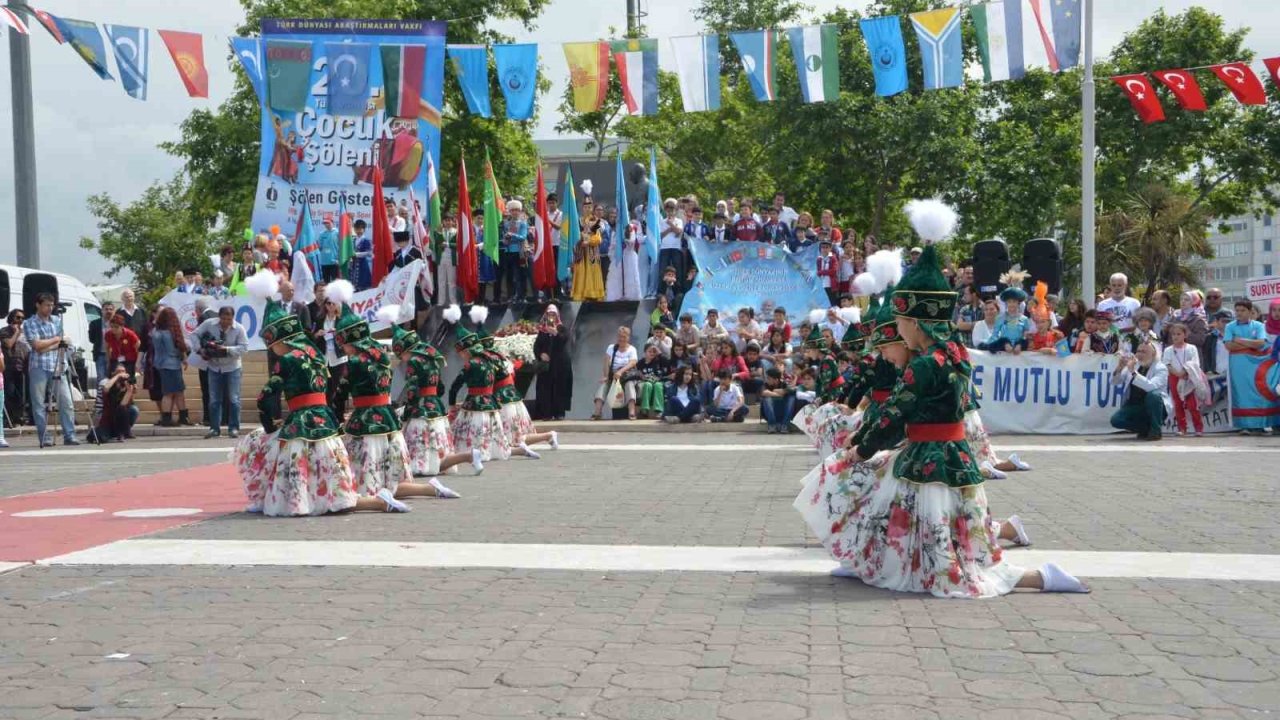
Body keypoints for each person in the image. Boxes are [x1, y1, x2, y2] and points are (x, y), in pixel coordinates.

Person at [796, 246, 1088, 597]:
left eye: (901, 324)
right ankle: (868, 561)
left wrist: (862, 448)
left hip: (927, 458)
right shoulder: (952, 355)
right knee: (909, 516)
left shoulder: (923, 365)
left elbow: (896, 415)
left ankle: (1038, 578)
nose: (900, 333)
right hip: (951, 455)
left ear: (916, 322)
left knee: (937, 547)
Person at [236, 270, 409, 516]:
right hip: (325, 422)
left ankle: (294, 501)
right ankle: (376, 501)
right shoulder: (315, 355)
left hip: (300, 424)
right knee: (330, 476)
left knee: (288, 468)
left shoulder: (285, 361)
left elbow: (265, 397)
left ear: (275, 338)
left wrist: (269, 426)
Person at [388, 311, 484, 479]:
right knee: (438, 445)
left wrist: (407, 407)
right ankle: (468, 456)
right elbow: (440, 387)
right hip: (435, 406)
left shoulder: (414, 361)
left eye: (401, 356)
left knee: (421, 443)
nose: (402, 360)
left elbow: (412, 387)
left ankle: (421, 468)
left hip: (421, 407)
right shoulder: (431, 358)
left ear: (404, 350)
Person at [449, 315, 510, 461]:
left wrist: (452, 404)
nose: (462, 357)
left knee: (471, 431)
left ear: (466, 351)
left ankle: (474, 453)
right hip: (490, 401)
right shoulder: (490, 360)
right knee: (490, 430)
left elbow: (455, 386)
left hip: (474, 403)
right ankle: (490, 451)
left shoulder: (470, 364)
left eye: (462, 354)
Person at [24, 293, 80, 446]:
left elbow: (64, 343)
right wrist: (56, 340)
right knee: (38, 404)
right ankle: (44, 437)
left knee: (66, 401)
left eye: (51, 305)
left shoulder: (56, 320)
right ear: (38, 305)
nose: (50, 308)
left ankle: (69, 435)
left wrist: (50, 344)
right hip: (39, 366)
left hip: (57, 365)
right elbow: (37, 347)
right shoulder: (30, 323)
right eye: (46, 305)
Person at [195, 306, 248, 439]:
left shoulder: (239, 329)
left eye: (229, 319)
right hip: (214, 366)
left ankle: (234, 428)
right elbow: (194, 334)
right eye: (223, 318)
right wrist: (200, 349)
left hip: (232, 367)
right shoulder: (209, 324)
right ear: (219, 317)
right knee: (214, 400)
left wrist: (226, 349)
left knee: (234, 399)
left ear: (233, 318)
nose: (226, 321)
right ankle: (214, 428)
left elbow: (244, 348)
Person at [1224, 300, 1271, 434]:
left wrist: (1239, 340)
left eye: (1242, 310)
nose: (1239, 313)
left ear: (1250, 312)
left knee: (1256, 393)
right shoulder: (1230, 326)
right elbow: (1228, 345)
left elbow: (1261, 343)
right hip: (1238, 364)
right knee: (1240, 392)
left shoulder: (1258, 326)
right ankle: (1243, 425)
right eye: (1237, 310)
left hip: (1256, 365)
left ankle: (1259, 424)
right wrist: (1251, 344)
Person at [1111, 341, 1171, 441]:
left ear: (1153, 354)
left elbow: (1151, 386)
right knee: (1116, 420)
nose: (1139, 354)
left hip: (1155, 406)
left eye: (1144, 352)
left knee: (1154, 395)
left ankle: (1156, 430)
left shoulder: (1161, 368)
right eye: (1138, 351)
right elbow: (1115, 382)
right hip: (1135, 405)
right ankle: (1145, 429)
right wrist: (1119, 367)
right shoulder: (1134, 365)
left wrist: (1134, 373)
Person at [150, 307, 191, 427]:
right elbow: (173, 350)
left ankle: (177, 417)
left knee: (175, 391)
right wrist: (183, 356)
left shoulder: (156, 331)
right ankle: (170, 417)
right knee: (172, 392)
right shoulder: (169, 333)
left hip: (160, 363)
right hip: (172, 364)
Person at [1162, 322, 1206, 437]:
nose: (1175, 336)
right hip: (1174, 378)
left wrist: (1185, 372)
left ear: (1185, 335)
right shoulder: (1168, 350)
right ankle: (1182, 428)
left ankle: (1198, 427)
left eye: (1178, 334)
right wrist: (1178, 374)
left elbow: (1195, 363)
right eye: (1173, 334)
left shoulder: (1192, 348)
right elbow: (1167, 364)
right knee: (1178, 403)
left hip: (1189, 377)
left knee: (1192, 404)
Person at [532, 305, 573, 421]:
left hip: (560, 365)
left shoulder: (561, 328)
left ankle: (559, 412)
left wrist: (556, 333)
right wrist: (541, 354)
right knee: (545, 388)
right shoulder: (542, 330)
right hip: (547, 366)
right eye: (549, 314)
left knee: (560, 388)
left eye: (553, 314)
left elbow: (564, 340)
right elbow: (537, 346)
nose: (551, 317)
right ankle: (546, 413)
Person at [592, 325, 639, 420]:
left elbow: (632, 362)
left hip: (626, 375)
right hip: (613, 375)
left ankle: (632, 412)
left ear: (628, 338)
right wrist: (606, 375)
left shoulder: (632, 349)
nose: (621, 339)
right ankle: (597, 412)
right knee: (603, 386)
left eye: (624, 337)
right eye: (620, 337)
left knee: (629, 386)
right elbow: (606, 362)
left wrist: (621, 371)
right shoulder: (611, 347)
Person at [92, 363, 138, 442]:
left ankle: (124, 432)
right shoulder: (106, 381)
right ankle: (111, 432)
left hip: (119, 413)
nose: (122, 374)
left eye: (123, 371)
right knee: (101, 437)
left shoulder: (125, 383)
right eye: (119, 371)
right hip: (105, 413)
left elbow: (124, 404)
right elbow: (106, 388)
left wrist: (130, 390)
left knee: (131, 409)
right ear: (113, 373)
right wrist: (117, 376)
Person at [571, 200, 606, 301]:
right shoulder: (578, 221)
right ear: (582, 208)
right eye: (585, 207)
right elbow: (574, 235)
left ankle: (593, 293)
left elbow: (598, 238)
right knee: (581, 271)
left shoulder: (596, 221)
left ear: (592, 209)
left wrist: (589, 241)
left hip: (592, 251)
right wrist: (580, 239)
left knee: (592, 271)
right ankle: (581, 294)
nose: (587, 209)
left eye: (589, 207)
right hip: (581, 251)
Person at [2, 309, 30, 429]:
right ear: (12, 318)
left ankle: (19, 417)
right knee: (10, 393)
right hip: (9, 367)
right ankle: (9, 419)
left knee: (20, 395)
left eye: (22, 318)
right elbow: (8, 344)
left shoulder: (25, 332)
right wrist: (16, 334)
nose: (20, 320)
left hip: (22, 367)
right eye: (18, 317)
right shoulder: (4, 331)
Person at [498, 199, 529, 302]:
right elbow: (504, 237)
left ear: (520, 211)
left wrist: (512, 235)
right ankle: (511, 296)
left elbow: (523, 237)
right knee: (509, 276)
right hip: (508, 251)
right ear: (510, 211)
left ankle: (522, 296)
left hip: (519, 252)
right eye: (512, 210)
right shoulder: (506, 224)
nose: (515, 212)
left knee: (520, 275)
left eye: (517, 210)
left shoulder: (523, 223)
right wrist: (505, 239)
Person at [634, 344, 669, 419]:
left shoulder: (658, 361)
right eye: (649, 351)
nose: (652, 353)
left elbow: (667, 363)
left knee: (658, 385)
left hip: (657, 381)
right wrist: (641, 375)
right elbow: (636, 371)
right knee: (647, 385)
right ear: (645, 352)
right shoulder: (641, 362)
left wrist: (659, 353)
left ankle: (659, 410)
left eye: (654, 352)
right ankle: (644, 410)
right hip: (646, 382)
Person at [89, 301, 115, 382]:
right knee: (101, 378)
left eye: (111, 309)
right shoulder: (94, 323)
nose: (108, 311)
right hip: (100, 355)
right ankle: (101, 395)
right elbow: (92, 339)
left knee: (113, 378)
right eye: (106, 309)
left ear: (114, 311)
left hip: (114, 356)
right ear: (102, 310)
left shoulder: (118, 324)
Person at [351, 219, 373, 290]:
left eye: (361, 228)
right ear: (354, 229)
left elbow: (369, 253)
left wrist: (357, 254)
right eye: (357, 228)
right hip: (354, 264)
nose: (359, 230)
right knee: (354, 283)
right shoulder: (353, 240)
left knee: (363, 284)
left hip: (363, 264)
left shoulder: (366, 240)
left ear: (364, 229)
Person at [318, 215, 341, 282]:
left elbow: (341, 246)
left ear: (332, 222)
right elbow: (320, 247)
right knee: (326, 282)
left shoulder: (337, 232)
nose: (326, 225)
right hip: (324, 262)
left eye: (328, 223)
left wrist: (338, 259)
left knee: (335, 282)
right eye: (325, 223)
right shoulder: (321, 234)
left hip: (334, 262)